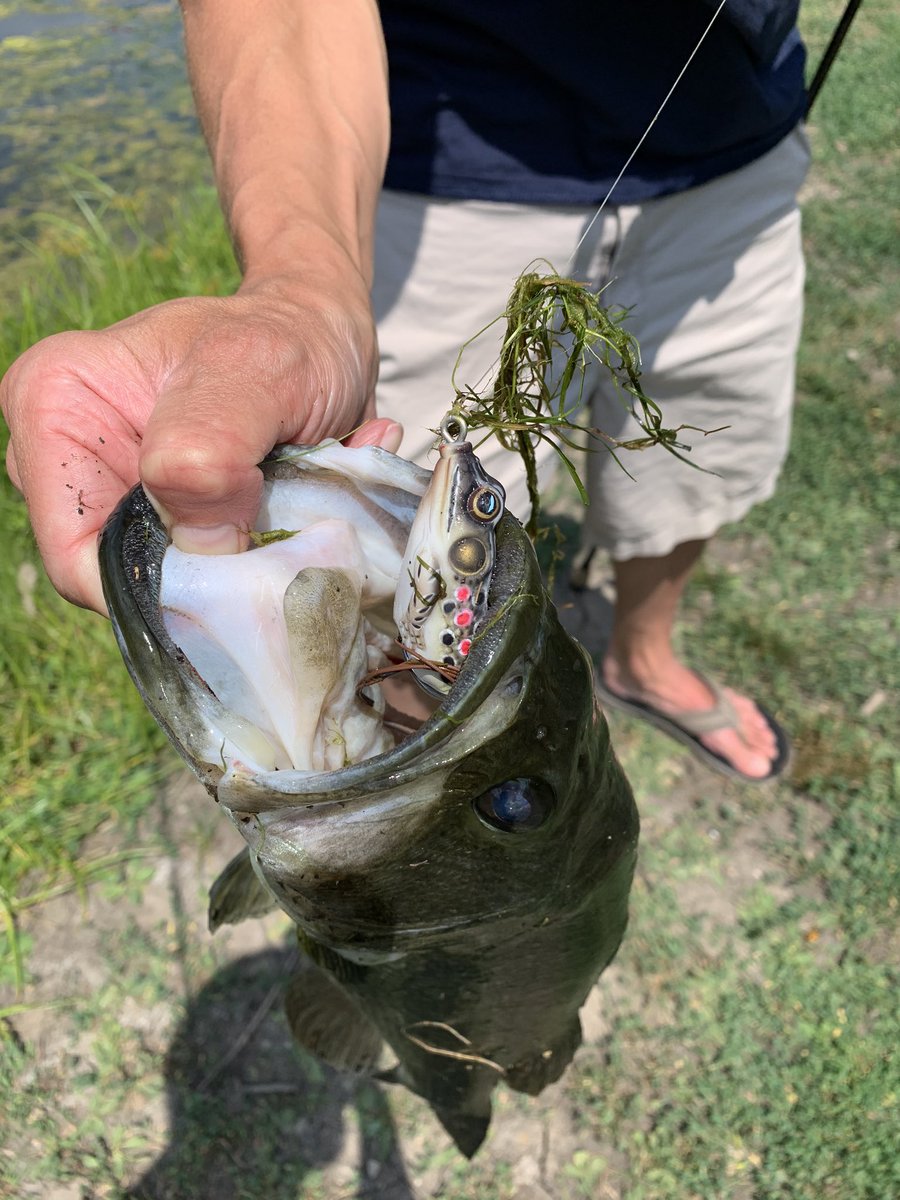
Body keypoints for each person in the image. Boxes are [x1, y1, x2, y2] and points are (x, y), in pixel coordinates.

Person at [1, 0, 806, 782]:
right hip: (441, 172)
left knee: (695, 468)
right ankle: (426, 764)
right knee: (385, 549)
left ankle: (645, 657)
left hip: (737, 148)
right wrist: (302, 290)